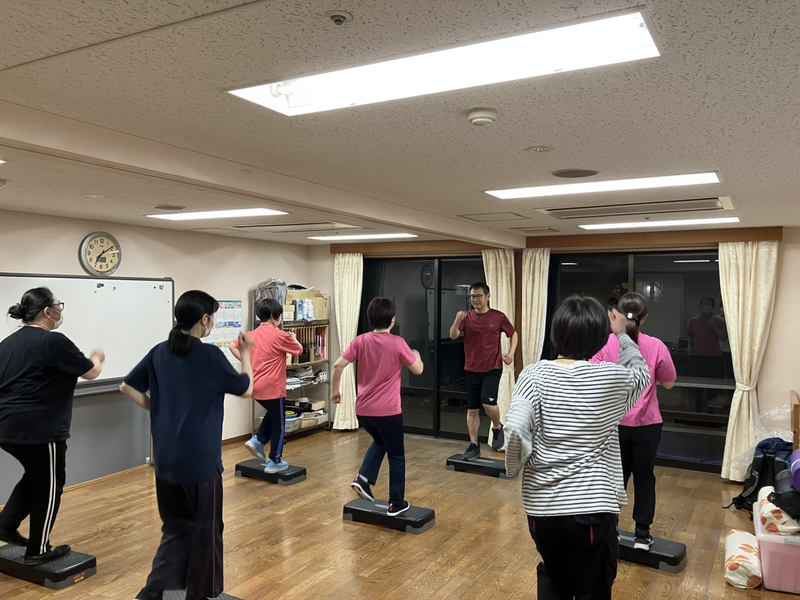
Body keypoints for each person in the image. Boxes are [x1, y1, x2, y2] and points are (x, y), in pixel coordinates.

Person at [504, 295, 650, 600]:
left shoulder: (533, 374)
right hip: (592, 510)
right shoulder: (611, 377)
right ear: (599, 337)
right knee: (593, 585)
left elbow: (515, 427)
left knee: (555, 576)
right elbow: (641, 373)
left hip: (543, 511)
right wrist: (622, 334)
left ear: (556, 332)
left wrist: (514, 466)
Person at [120, 290, 255, 600]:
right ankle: (198, 593)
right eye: (213, 317)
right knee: (205, 531)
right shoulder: (209, 355)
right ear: (205, 320)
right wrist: (246, 354)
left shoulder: (159, 352)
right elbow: (247, 388)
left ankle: (153, 591)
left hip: (166, 460)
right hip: (200, 462)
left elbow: (126, 386)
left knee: (176, 529)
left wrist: (159, 409)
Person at [0, 287, 104, 563]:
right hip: (40, 430)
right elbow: (91, 372)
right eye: (59, 306)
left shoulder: (7, 344)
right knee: (50, 486)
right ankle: (38, 550)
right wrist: (97, 358)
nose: (60, 311)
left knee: (36, 476)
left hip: (7, 428)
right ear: (48, 312)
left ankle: (5, 525)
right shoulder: (54, 341)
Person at [591, 292, 677, 551]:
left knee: (615, 478)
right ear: (645, 318)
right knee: (644, 477)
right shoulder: (656, 345)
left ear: (616, 315)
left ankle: (612, 530)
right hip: (647, 426)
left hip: (614, 425)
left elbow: (592, 378)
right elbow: (669, 383)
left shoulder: (605, 343)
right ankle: (642, 535)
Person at [330, 297, 423, 516]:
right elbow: (418, 370)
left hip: (363, 411)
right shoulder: (398, 343)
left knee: (381, 441)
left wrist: (335, 391)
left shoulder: (360, 341)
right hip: (388, 412)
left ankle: (363, 478)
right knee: (396, 456)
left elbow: (338, 365)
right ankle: (396, 504)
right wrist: (417, 355)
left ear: (371, 319)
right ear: (392, 320)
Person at [230, 298, 302, 473]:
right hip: (273, 387)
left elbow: (232, 346)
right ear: (273, 316)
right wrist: (293, 337)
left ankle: (259, 440)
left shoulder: (251, 335)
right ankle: (274, 461)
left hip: (255, 386)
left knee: (274, 414)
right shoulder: (280, 335)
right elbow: (299, 350)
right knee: (279, 424)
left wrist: (247, 361)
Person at [449, 282, 517, 460]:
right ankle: (474, 445)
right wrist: (457, 320)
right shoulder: (466, 317)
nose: (475, 300)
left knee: (487, 403)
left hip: (492, 368)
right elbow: (453, 335)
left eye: (479, 296)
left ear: (488, 297)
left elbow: (513, 334)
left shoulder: (498, 317)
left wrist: (511, 353)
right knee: (472, 410)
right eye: (472, 296)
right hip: (472, 369)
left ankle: (497, 427)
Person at [687, 297, 728, 412]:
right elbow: (690, 335)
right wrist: (689, 346)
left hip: (714, 358)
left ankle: (711, 412)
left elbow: (724, 338)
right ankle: (697, 410)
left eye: (708, 304)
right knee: (698, 386)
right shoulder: (694, 321)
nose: (705, 306)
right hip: (698, 357)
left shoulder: (719, 321)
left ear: (712, 307)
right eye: (703, 303)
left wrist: (715, 327)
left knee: (712, 387)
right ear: (700, 306)